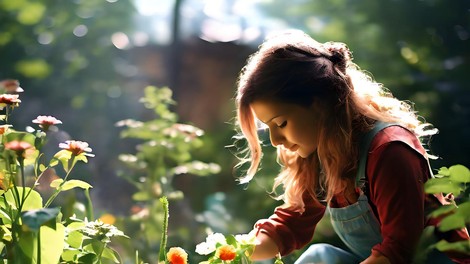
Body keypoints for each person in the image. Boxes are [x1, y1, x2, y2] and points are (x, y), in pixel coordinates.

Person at [233, 30, 470, 264]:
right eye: (268, 128)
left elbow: (398, 251)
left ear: (319, 105)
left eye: (281, 123)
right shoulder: (318, 155)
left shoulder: (390, 151)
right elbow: (289, 225)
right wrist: (233, 252)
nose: (275, 140)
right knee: (319, 257)